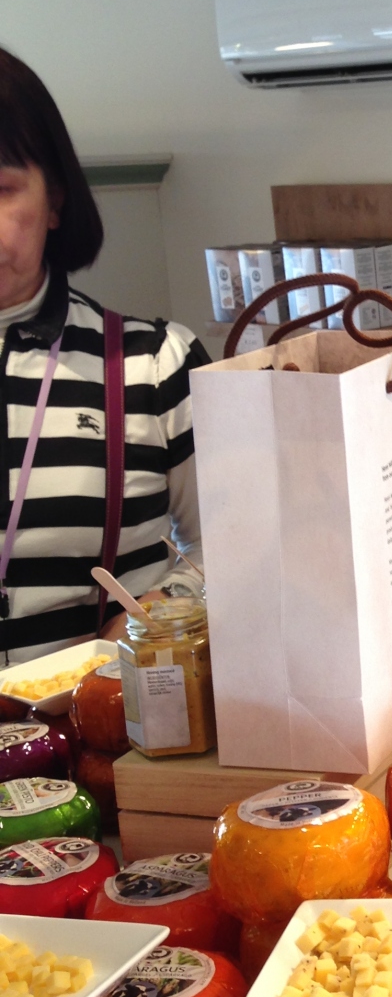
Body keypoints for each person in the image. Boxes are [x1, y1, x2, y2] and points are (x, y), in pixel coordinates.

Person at [0, 47, 207, 663]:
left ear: (55, 200)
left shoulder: (155, 365)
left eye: (2, 189)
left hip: (99, 714)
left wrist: (159, 614)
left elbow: (232, 542)